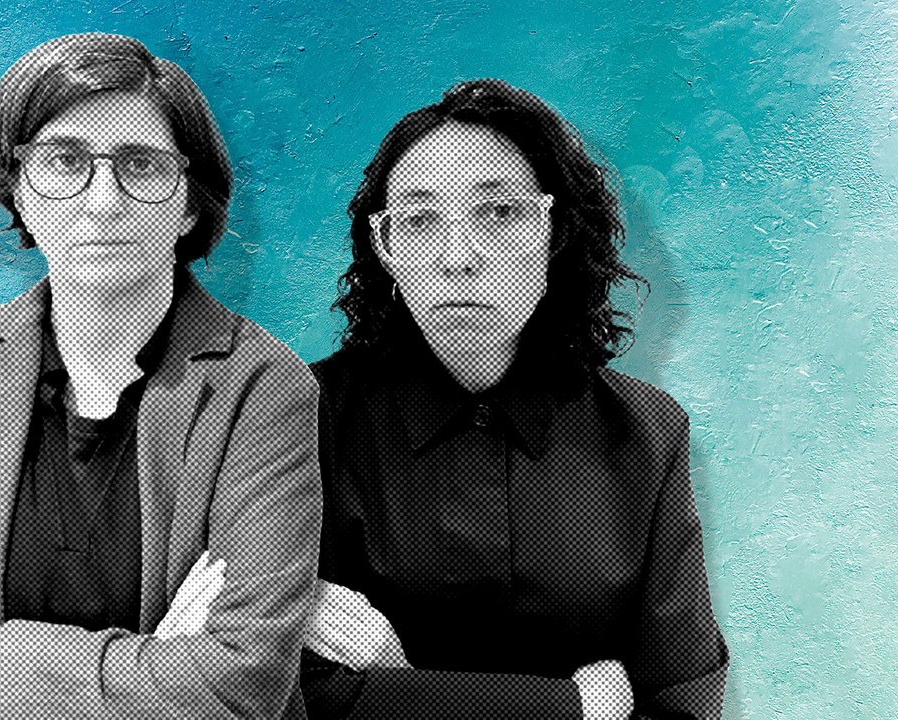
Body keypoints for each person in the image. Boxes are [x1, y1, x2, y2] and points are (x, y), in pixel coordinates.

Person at [0, 33, 321, 719]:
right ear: (19, 193)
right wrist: (151, 673)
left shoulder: (263, 386)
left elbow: (236, 686)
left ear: (188, 205)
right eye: (65, 161)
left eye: (141, 165)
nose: (103, 200)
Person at [300, 78, 728, 719]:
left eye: (499, 213)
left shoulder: (646, 433)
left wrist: (401, 686)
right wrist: (576, 706)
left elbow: (682, 703)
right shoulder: (305, 417)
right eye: (419, 219)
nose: (458, 257)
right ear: (384, 246)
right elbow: (293, 696)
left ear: (553, 231)